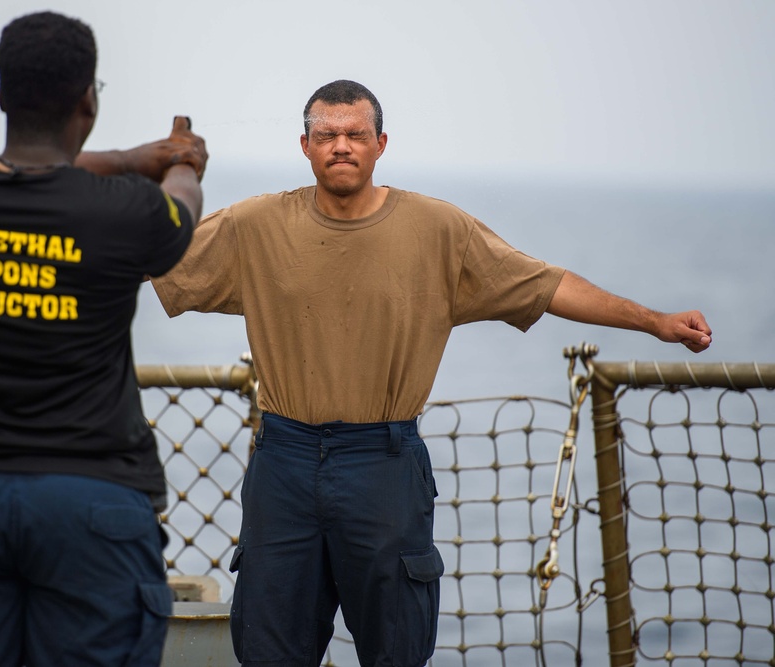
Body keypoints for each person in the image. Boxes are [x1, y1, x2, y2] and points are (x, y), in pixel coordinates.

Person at [151, 79, 711, 667]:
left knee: (396, 649)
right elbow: (146, 255)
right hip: (283, 461)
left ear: (380, 143)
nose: (341, 146)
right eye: (327, 136)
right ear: (306, 146)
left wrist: (655, 322)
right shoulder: (255, 225)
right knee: (268, 648)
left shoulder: (439, 230)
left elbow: (546, 285)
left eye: (355, 134)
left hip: (384, 464)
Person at [0, 11, 208, 667]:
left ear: (2, 94)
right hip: (92, 499)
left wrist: (125, 158)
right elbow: (182, 206)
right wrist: (180, 161)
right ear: (87, 100)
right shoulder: (131, 211)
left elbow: (15, 167)